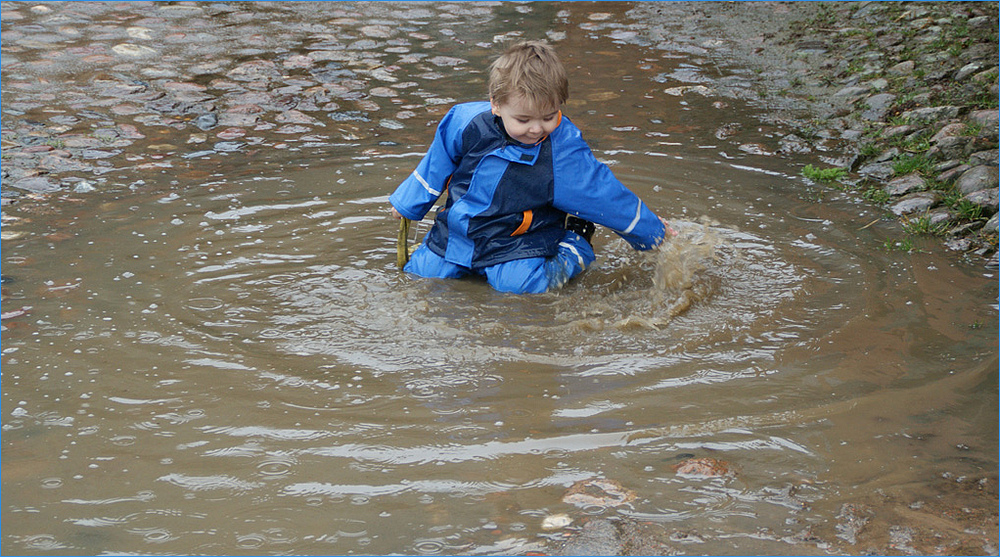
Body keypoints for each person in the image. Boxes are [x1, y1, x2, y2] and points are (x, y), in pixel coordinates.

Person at [389, 40, 674, 294]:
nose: (537, 129)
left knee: (521, 288)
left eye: (549, 116)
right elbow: (436, 163)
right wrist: (408, 204)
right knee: (419, 275)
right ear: (496, 105)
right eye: (523, 120)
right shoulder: (465, 121)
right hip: (458, 233)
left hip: (519, 239)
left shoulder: (561, 150)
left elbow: (604, 194)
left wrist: (652, 233)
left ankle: (576, 242)